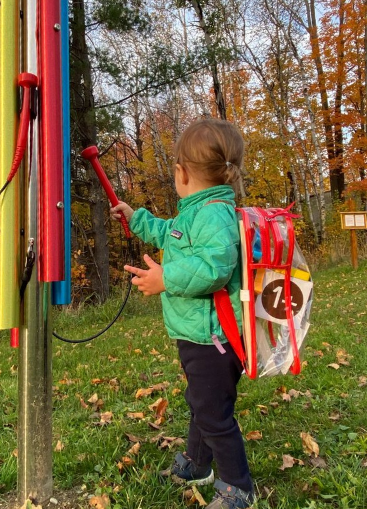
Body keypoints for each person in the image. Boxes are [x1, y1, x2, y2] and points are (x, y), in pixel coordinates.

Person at [110, 119, 256, 509]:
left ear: (182, 172)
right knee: (201, 402)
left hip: (215, 337)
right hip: (196, 334)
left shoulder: (213, 215)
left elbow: (215, 267)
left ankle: (237, 486)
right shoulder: (195, 212)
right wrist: (133, 215)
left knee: (214, 414)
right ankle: (196, 464)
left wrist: (165, 279)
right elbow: (166, 232)